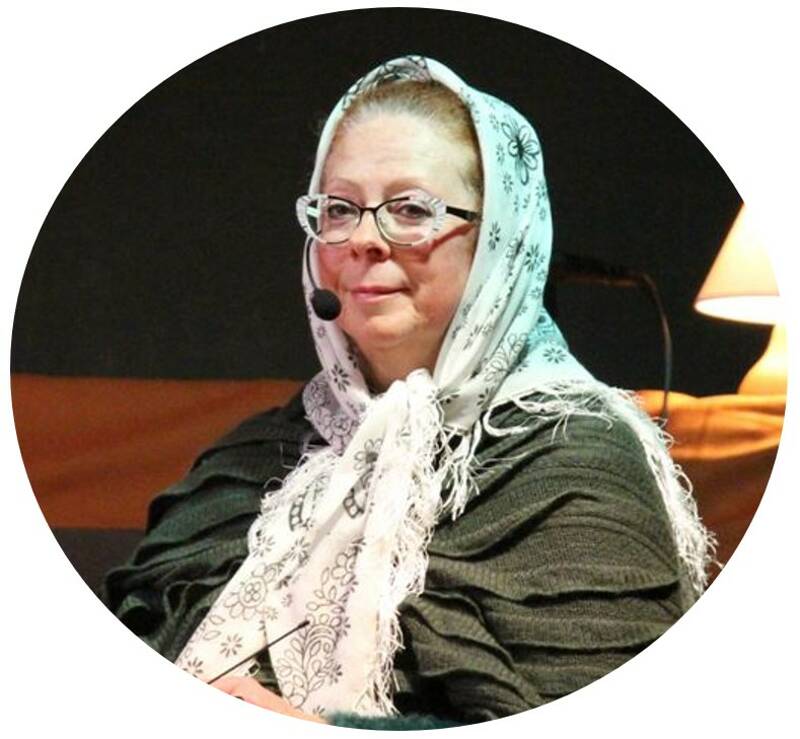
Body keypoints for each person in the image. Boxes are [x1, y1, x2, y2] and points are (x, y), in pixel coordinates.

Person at [102, 55, 714, 729]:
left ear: (498, 238)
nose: (364, 240)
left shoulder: (576, 462)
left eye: (411, 209)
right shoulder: (249, 458)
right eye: (339, 209)